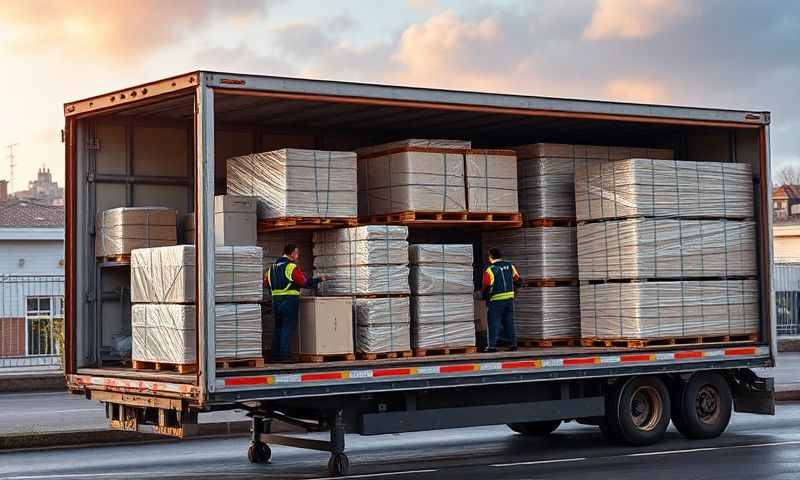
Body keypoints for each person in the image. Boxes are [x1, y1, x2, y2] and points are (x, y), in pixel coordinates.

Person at [265, 244, 330, 361]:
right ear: (293, 253)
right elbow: (303, 282)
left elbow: (266, 284)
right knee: (287, 328)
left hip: (275, 302)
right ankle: (284, 356)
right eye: (297, 253)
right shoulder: (291, 267)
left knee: (278, 327)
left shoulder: (271, 268)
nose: (298, 255)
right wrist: (320, 279)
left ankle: (274, 355)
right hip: (289, 301)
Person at [481, 247, 522, 353]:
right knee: (509, 322)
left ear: (490, 257)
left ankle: (492, 346)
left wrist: (484, 296)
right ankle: (513, 344)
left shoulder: (490, 269)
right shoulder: (510, 266)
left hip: (496, 301)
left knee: (493, 323)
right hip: (509, 300)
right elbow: (518, 280)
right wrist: (514, 291)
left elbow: (486, 285)